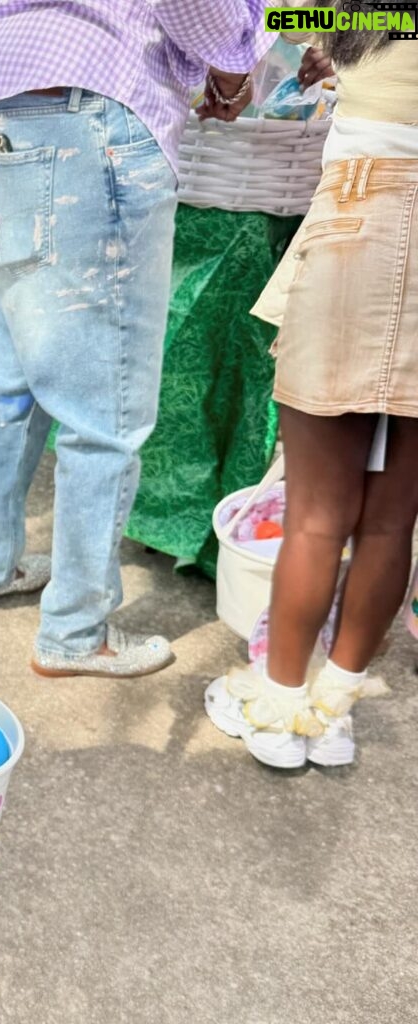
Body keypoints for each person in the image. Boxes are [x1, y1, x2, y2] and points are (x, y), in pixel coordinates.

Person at [0, 1, 277, 678]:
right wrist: (235, 70)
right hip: (88, 100)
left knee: (7, 371)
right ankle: (74, 628)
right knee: (107, 406)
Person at [206, 5, 418, 769]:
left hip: (362, 218)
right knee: (393, 523)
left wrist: (346, 44)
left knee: (318, 515)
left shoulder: (370, 14)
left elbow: (277, 14)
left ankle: (277, 708)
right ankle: (333, 713)